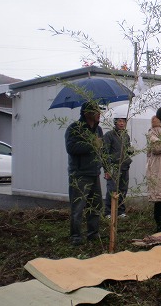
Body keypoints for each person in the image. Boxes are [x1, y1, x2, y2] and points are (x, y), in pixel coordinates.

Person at [64, 101, 104, 246]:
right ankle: (76, 237)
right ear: (87, 113)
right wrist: (91, 144)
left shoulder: (98, 130)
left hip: (94, 173)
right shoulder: (75, 128)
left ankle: (93, 234)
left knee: (95, 205)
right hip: (79, 174)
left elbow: (101, 150)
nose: (100, 114)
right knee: (78, 207)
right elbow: (71, 148)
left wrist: (104, 168)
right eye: (97, 111)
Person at [103, 116, 133, 219]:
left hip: (125, 165)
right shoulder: (109, 135)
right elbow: (105, 153)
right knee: (112, 190)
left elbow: (128, 149)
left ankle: (121, 211)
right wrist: (106, 169)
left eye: (124, 121)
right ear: (115, 122)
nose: (122, 123)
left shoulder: (126, 136)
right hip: (114, 167)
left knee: (123, 190)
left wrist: (130, 150)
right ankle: (108, 212)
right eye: (120, 121)